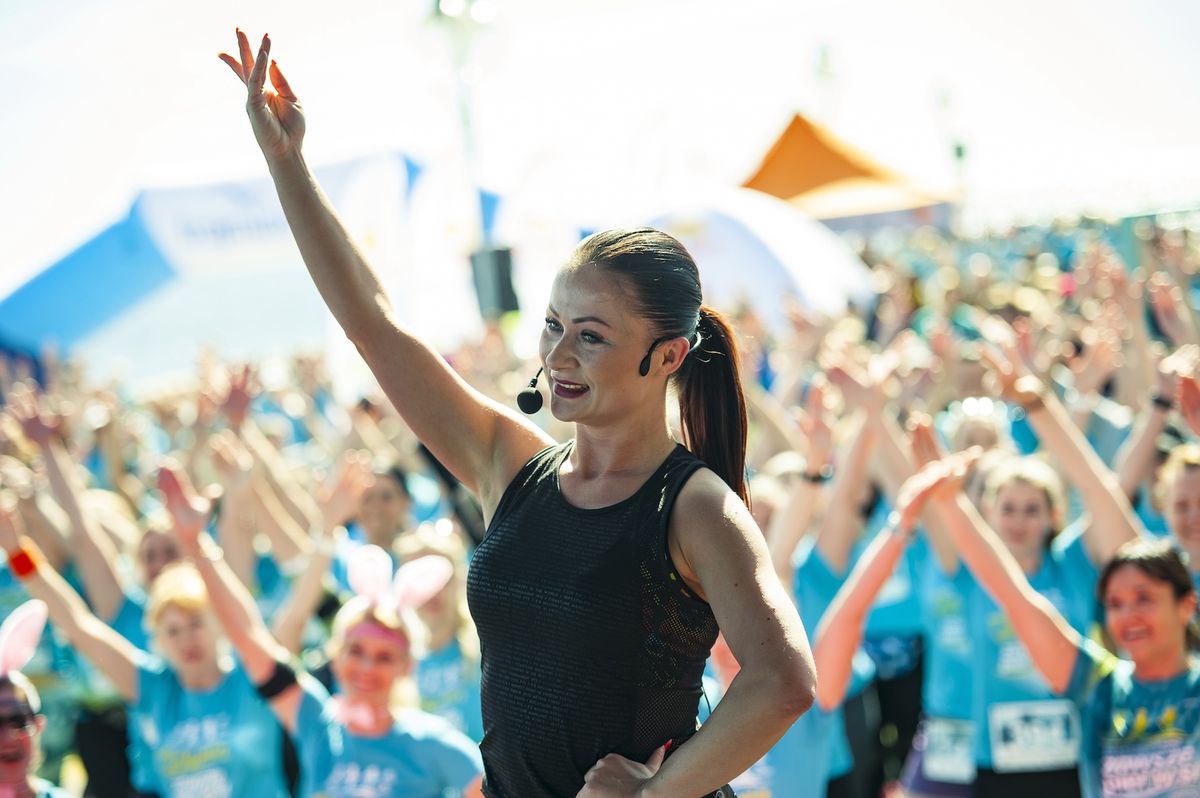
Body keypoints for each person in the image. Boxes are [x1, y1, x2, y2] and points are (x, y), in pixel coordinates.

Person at [219, 28, 815, 797]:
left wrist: (653, 793)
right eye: (554, 325)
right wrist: (287, 163)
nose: (560, 355)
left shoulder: (694, 505)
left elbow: (783, 680)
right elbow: (373, 325)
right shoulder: (512, 463)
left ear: (668, 356)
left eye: (592, 336)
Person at [156, 463, 486, 798]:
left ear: (407, 666)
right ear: (335, 656)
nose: (367, 668)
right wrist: (196, 545)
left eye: (384, 657)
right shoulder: (317, 725)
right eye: (356, 651)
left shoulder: (434, 745)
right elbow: (249, 637)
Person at [0, 503, 292, 798]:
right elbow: (77, 624)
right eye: (173, 631)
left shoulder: (252, 679)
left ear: (219, 624)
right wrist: (15, 550)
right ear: (158, 639)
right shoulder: (153, 687)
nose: (187, 640)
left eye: (196, 623)